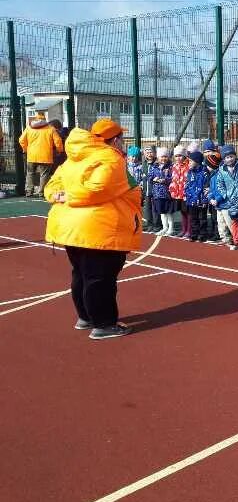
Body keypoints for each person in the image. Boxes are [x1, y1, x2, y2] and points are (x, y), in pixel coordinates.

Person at [44, 119, 141, 339]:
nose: (123, 143)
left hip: (72, 227)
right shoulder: (110, 158)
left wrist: (61, 195)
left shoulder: (73, 159)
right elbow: (98, 189)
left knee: (82, 274)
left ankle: (86, 316)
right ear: (115, 140)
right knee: (100, 278)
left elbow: (52, 186)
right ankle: (104, 324)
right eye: (121, 139)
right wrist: (71, 196)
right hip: (98, 228)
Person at [18, 112, 64, 197]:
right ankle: (41, 192)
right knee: (44, 174)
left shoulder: (29, 128)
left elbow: (21, 140)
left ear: (35, 119)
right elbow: (58, 141)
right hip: (45, 156)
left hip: (31, 156)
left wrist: (25, 149)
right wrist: (59, 150)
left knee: (30, 173)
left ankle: (29, 191)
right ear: (45, 119)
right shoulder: (51, 129)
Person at [215, 144, 238, 250]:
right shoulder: (222, 170)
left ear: (235, 156)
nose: (229, 159)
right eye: (227, 157)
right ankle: (237, 241)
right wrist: (226, 194)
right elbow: (219, 184)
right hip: (231, 199)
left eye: (231, 156)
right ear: (224, 159)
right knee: (235, 221)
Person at [184, 151, 210, 242]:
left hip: (200, 200)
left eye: (191, 161)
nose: (189, 163)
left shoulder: (204, 172)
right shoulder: (190, 172)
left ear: (197, 161)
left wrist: (204, 200)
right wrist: (187, 196)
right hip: (191, 199)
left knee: (202, 218)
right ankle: (194, 233)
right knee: (193, 218)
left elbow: (206, 188)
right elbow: (187, 185)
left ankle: (203, 234)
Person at [148, 147, 174, 235]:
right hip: (157, 194)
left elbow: (172, 178)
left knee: (168, 211)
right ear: (158, 157)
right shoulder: (154, 166)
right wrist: (154, 179)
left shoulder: (170, 167)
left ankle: (171, 228)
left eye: (165, 156)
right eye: (161, 157)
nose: (163, 159)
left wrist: (165, 180)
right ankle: (164, 227)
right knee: (162, 212)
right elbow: (149, 177)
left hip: (167, 193)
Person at [169, 145, 190, 238]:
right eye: (176, 156)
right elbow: (173, 179)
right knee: (182, 212)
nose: (178, 158)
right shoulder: (174, 166)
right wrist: (172, 190)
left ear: (184, 156)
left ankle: (189, 230)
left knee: (188, 212)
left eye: (180, 155)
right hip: (178, 194)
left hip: (186, 193)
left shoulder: (188, 165)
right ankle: (183, 229)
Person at [141, 146, 161, 233]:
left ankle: (157, 224)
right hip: (147, 190)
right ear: (145, 154)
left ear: (154, 153)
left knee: (155, 208)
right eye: (147, 152)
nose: (149, 154)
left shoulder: (157, 163)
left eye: (151, 152)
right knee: (147, 208)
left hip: (155, 190)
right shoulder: (144, 164)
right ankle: (150, 224)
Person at [203, 150, 222, 241]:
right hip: (212, 198)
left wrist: (210, 190)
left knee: (216, 217)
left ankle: (217, 233)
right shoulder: (212, 174)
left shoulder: (217, 175)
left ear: (212, 166)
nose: (206, 167)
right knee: (213, 216)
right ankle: (214, 231)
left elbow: (218, 188)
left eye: (208, 165)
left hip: (216, 199)